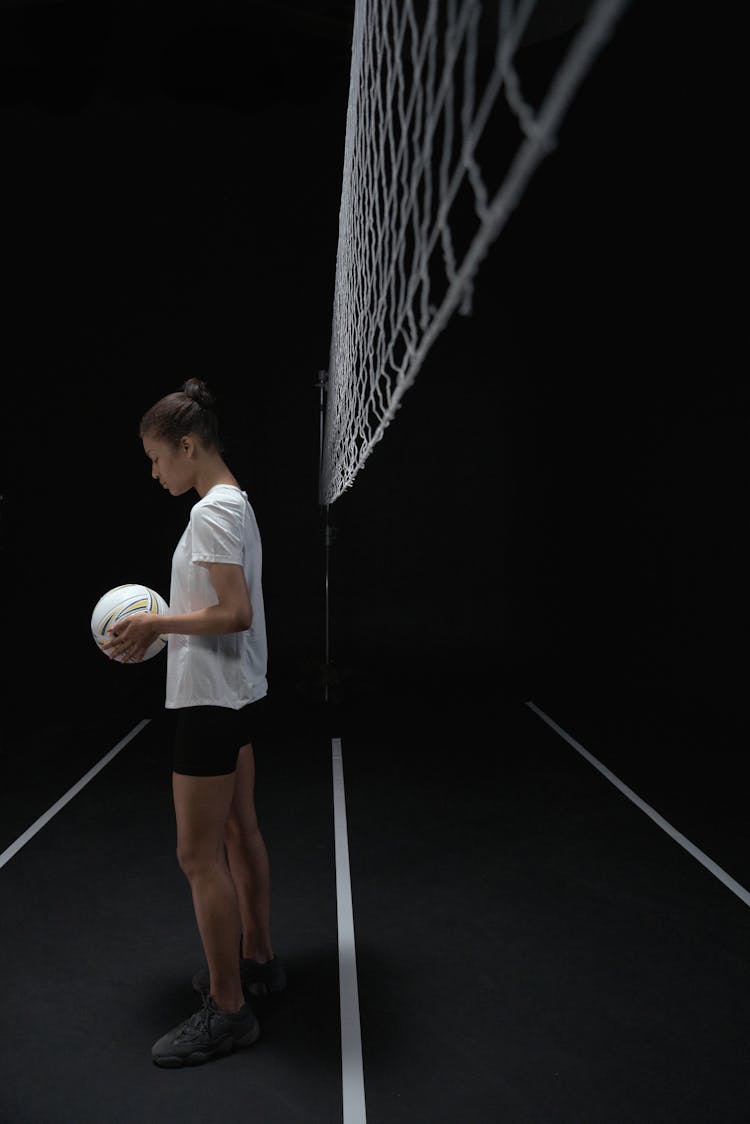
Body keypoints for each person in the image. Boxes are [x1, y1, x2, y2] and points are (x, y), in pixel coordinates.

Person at [103, 376, 285, 1068]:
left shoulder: (212, 511)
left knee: (197, 856)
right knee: (241, 831)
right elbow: (230, 612)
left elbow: (232, 612)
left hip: (210, 701)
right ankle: (259, 962)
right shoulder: (234, 501)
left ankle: (229, 1010)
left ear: (187, 445)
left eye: (157, 458)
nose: (154, 472)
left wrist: (155, 625)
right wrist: (165, 629)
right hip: (233, 692)